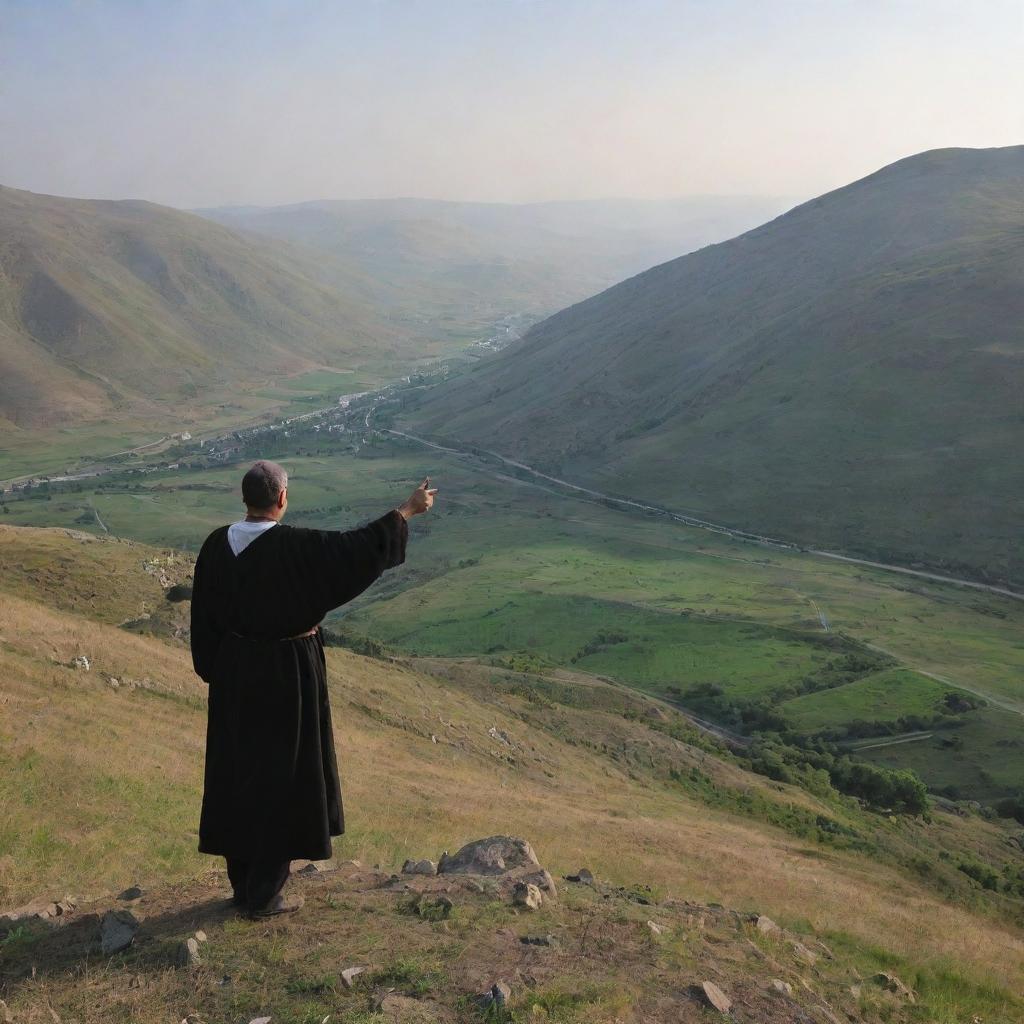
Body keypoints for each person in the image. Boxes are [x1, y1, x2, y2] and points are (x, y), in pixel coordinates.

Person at [189, 459, 436, 917]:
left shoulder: (214, 546)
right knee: (281, 777)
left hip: (236, 675)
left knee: (238, 774)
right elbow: (356, 550)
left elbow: (203, 614)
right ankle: (263, 894)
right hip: (288, 676)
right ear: (281, 498)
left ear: (245, 499)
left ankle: (243, 885)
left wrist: (216, 670)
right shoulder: (297, 547)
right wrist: (407, 511)